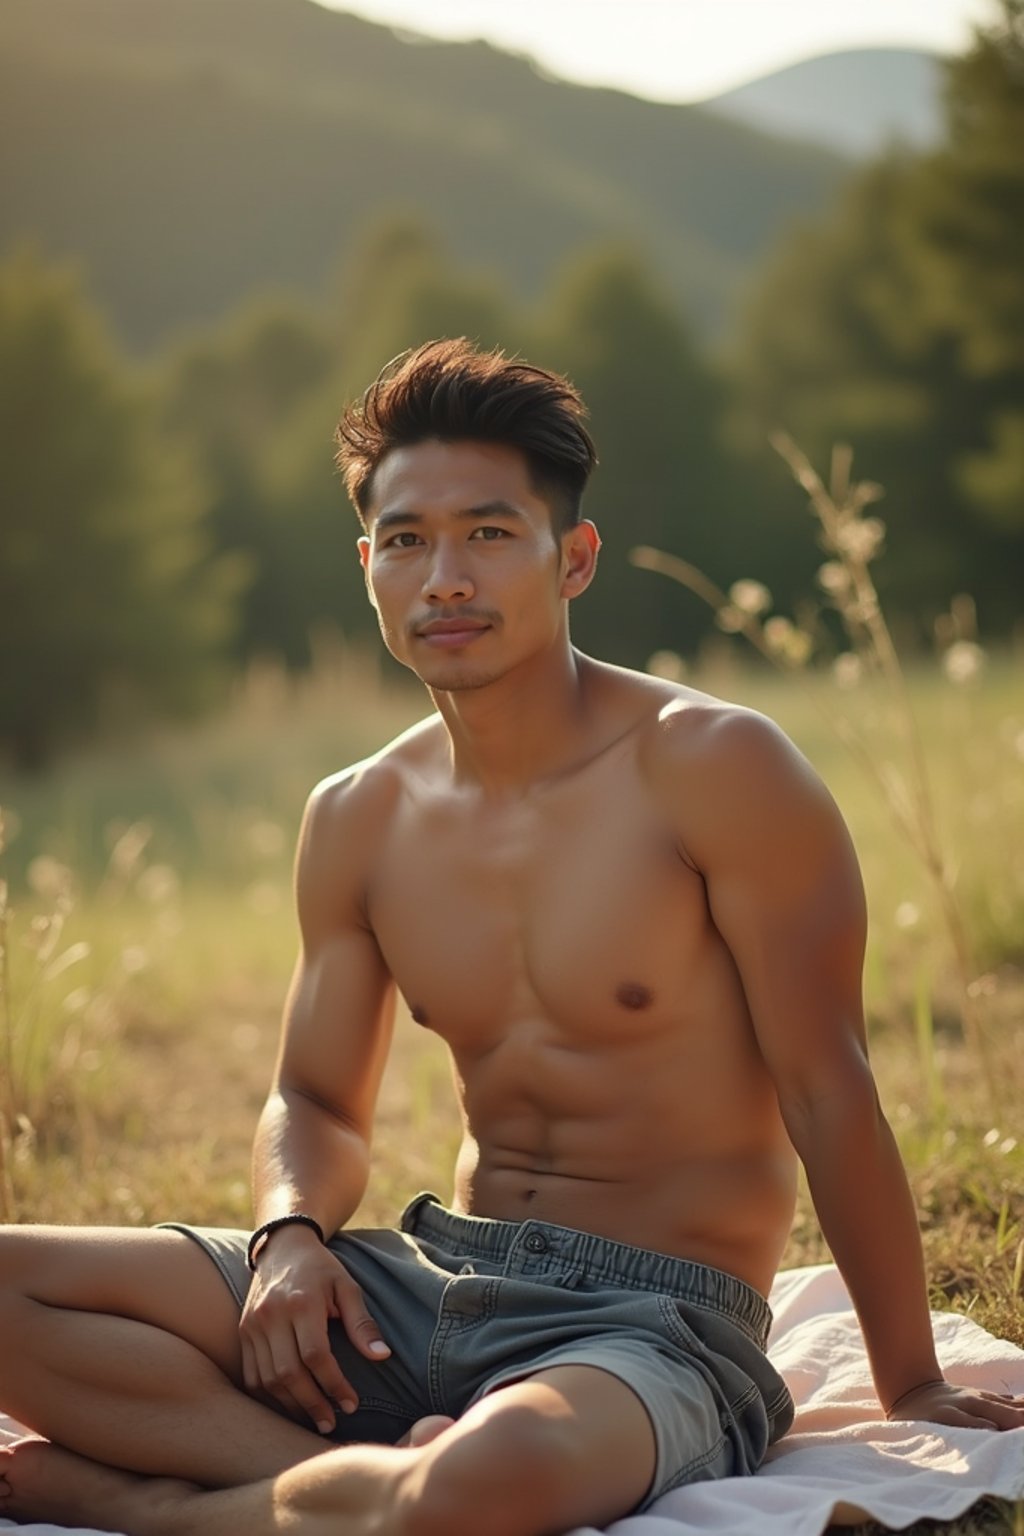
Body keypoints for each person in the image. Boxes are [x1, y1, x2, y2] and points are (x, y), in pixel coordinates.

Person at [0, 339, 1020, 1536]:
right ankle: (351, 1493)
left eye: (489, 534)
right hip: (432, 1278)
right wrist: (287, 1238)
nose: (445, 579)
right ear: (368, 565)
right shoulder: (357, 816)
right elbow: (315, 1099)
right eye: (406, 540)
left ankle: (161, 1504)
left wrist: (910, 1382)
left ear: (571, 558)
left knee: (490, 1485)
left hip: (653, 1326)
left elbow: (827, 1087)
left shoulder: (715, 766)